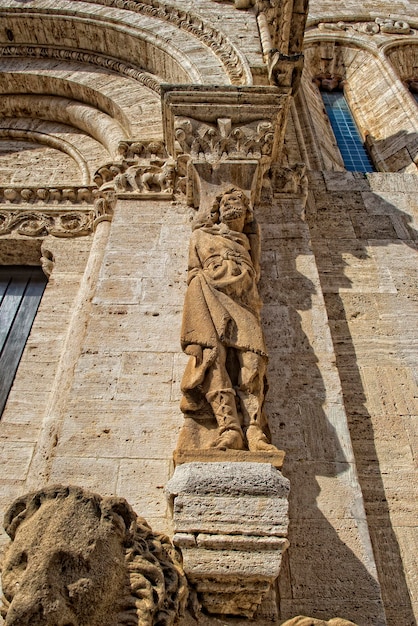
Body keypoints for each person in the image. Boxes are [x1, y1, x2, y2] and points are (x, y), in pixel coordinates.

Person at [180, 186, 276, 452]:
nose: (232, 205)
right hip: (207, 292)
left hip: (245, 299)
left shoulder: (249, 240)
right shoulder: (200, 235)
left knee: (253, 362)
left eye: (239, 202)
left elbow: (254, 272)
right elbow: (193, 270)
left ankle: (254, 429)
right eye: (227, 202)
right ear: (217, 210)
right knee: (212, 357)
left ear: (247, 214)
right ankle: (229, 428)